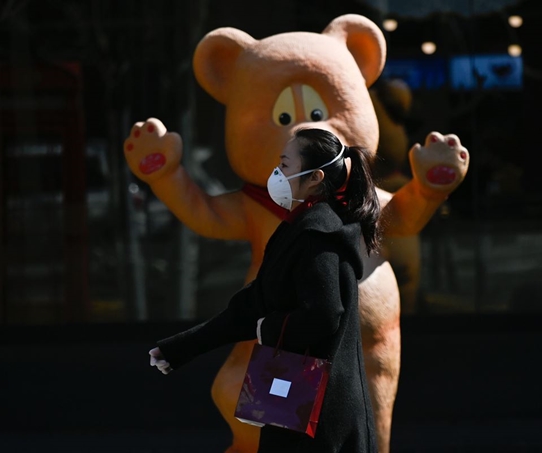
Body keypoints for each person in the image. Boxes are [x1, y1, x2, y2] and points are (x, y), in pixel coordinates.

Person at [148, 128, 381, 453]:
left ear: (314, 177)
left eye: (285, 165)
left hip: (319, 418)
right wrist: (181, 348)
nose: (277, 174)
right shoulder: (302, 228)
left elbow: (324, 314)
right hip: (299, 405)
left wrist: (268, 328)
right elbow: (252, 305)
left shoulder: (318, 233)